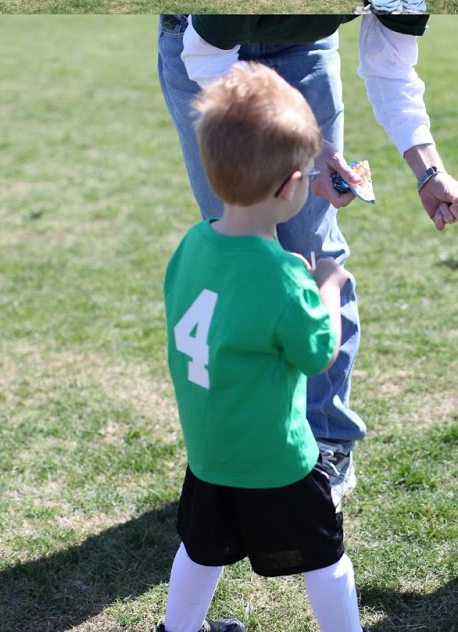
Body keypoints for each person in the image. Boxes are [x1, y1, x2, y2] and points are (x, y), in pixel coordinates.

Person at [159, 14, 458, 514]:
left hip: (302, 51)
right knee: (238, 245)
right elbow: (205, 54)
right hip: (206, 50)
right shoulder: (231, 5)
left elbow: (390, 70)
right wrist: (328, 285)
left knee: (312, 244)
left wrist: (428, 172)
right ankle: (238, 443)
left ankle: (326, 438)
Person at [159, 62, 363, 632]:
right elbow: (317, 352)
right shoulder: (284, 279)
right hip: (277, 458)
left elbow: (228, 305)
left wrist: (285, 280)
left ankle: (179, 629)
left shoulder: (193, 246)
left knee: (200, 549)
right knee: (326, 559)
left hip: (208, 450)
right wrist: (324, 284)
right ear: (292, 186)